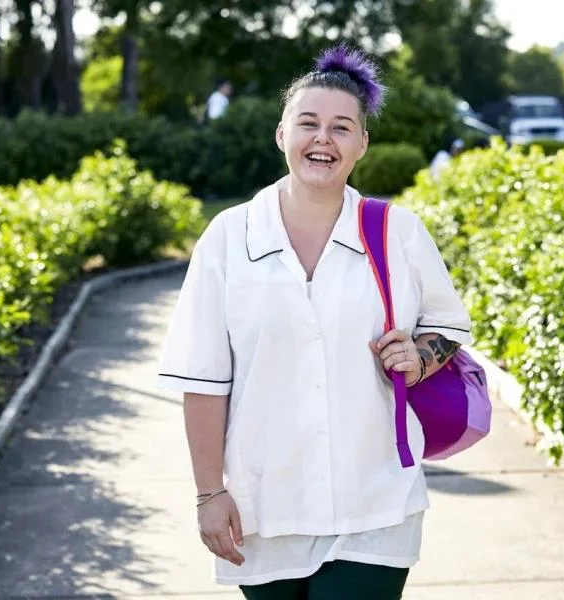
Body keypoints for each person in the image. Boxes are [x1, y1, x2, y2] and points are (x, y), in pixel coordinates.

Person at [157, 44, 472, 599]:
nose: (323, 139)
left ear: (362, 144)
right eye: (308, 123)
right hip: (262, 510)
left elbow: (448, 326)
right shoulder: (229, 238)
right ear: (282, 134)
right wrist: (210, 495)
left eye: (341, 127)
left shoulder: (398, 232)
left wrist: (421, 358)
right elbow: (203, 379)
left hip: (375, 502)